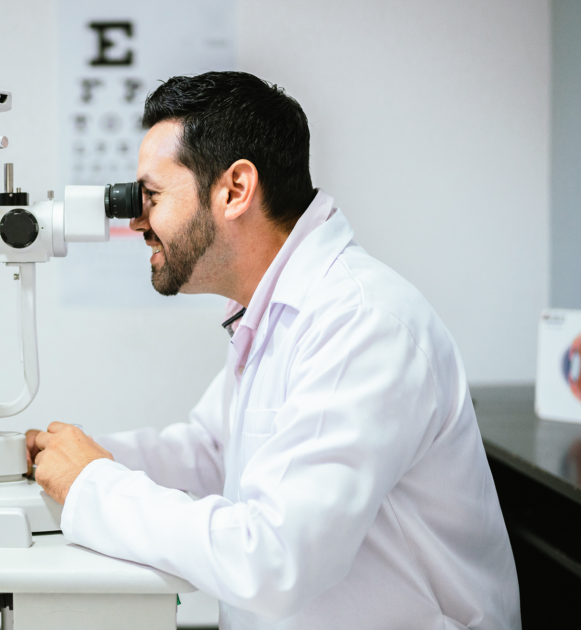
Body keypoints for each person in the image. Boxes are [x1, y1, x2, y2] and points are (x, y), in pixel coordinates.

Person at [27, 71, 521, 629]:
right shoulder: (276, 311)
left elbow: (274, 560)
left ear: (235, 190)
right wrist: (70, 460)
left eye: (152, 196)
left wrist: (94, 485)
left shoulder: (359, 323)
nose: (136, 220)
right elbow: (212, 453)